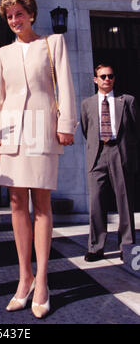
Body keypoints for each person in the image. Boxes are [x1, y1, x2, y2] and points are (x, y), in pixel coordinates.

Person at [0, 0, 77, 318]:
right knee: (15, 202)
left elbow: (64, 86)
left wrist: (66, 124)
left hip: (43, 129)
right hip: (10, 134)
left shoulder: (53, 43)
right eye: (9, 16)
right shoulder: (2, 54)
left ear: (31, 13)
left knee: (41, 202)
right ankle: (23, 278)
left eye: (19, 13)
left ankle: (42, 281)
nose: (14, 20)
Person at [81, 64, 140, 262]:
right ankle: (96, 247)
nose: (107, 79)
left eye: (110, 76)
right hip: (97, 155)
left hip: (119, 153)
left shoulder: (127, 101)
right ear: (95, 79)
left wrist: (128, 153)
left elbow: (134, 130)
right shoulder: (87, 104)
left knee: (125, 201)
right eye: (103, 76)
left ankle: (127, 246)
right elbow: (85, 129)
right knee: (96, 201)